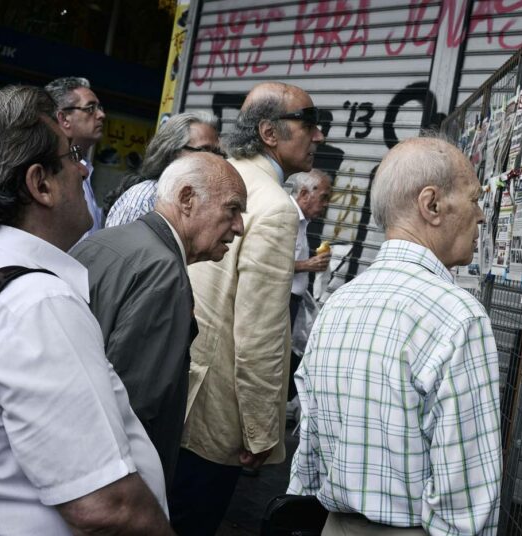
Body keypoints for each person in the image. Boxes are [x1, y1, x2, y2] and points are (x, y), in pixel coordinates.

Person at [288, 136, 502, 534]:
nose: (482, 216)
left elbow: (308, 459)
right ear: (432, 205)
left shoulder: (337, 306)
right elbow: (467, 505)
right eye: (475, 199)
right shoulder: (459, 318)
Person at [0, 85, 171, 534]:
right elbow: (106, 506)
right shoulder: (39, 302)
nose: (83, 168)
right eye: (72, 155)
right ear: (40, 184)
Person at [170, 82, 325, 535]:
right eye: (309, 122)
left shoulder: (214, 175)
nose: (318, 136)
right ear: (269, 133)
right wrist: (261, 430)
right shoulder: (275, 207)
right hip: (217, 409)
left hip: (178, 393)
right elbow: (259, 331)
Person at [71, 153, 246, 491]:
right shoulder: (164, 272)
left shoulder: (105, 240)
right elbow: (133, 410)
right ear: (186, 199)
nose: (239, 227)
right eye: (232, 209)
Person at [104, 111, 223, 227]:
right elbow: (116, 247)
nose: (214, 159)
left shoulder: (202, 201)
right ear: (172, 153)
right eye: (203, 151)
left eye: (217, 152)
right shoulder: (146, 198)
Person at [45, 76, 105, 236]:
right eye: (90, 108)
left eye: (100, 107)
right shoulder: (49, 171)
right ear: (64, 119)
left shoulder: (84, 167)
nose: (101, 115)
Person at [287, 169, 332, 326]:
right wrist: (308, 265)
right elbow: (268, 263)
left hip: (292, 302)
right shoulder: (286, 216)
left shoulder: (302, 220)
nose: (327, 204)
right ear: (305, 194)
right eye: (323, 197)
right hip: (282, 301)